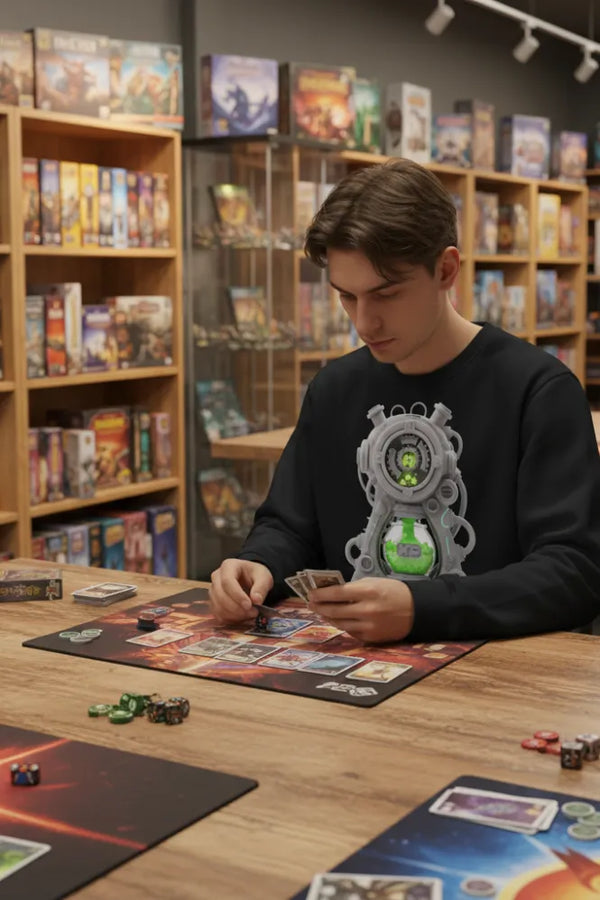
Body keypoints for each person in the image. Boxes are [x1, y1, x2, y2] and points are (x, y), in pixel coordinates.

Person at [208, 159, 600, 642]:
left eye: (386, 295)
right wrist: (256, 564)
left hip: (494, 683)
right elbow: (289, 525)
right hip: (352, 673)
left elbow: (575, 571)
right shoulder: (333, 389)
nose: (364, 322)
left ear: (446, 270)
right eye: (346, 297)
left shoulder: (538, 390)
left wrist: (423, 607)